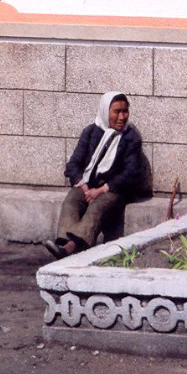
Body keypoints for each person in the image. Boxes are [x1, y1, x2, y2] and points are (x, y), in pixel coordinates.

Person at [45, 91, 147, 260]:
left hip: (114, 189)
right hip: (88, 184)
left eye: (125, 111)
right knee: (72, 200)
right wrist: (83, 185)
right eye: (116, 111)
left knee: (96, 208)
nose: (122, 116)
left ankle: (71, 248)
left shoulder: (131, 138)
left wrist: (101, 190)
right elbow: (73, 164)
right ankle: (64, 243)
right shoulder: (91, 131)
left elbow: (131, 173)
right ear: (105, 111)